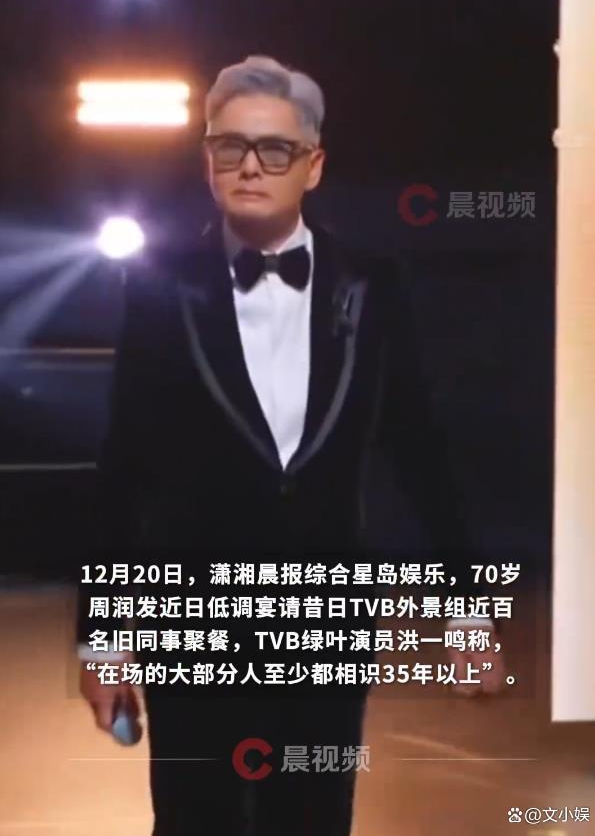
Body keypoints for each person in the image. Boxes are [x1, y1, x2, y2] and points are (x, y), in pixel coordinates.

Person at [78, 55, 504, 835]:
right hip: (194, 617)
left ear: (314, 165)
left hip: (325, 615)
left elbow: (420, 450)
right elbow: (124, 468)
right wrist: (103, 636)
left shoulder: (372, 283)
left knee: (314, 817)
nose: (249, 166)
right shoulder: (159, 286)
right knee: (193, 820)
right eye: (229, 146)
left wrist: (466, 609)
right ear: (207, 158)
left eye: (274, 149)